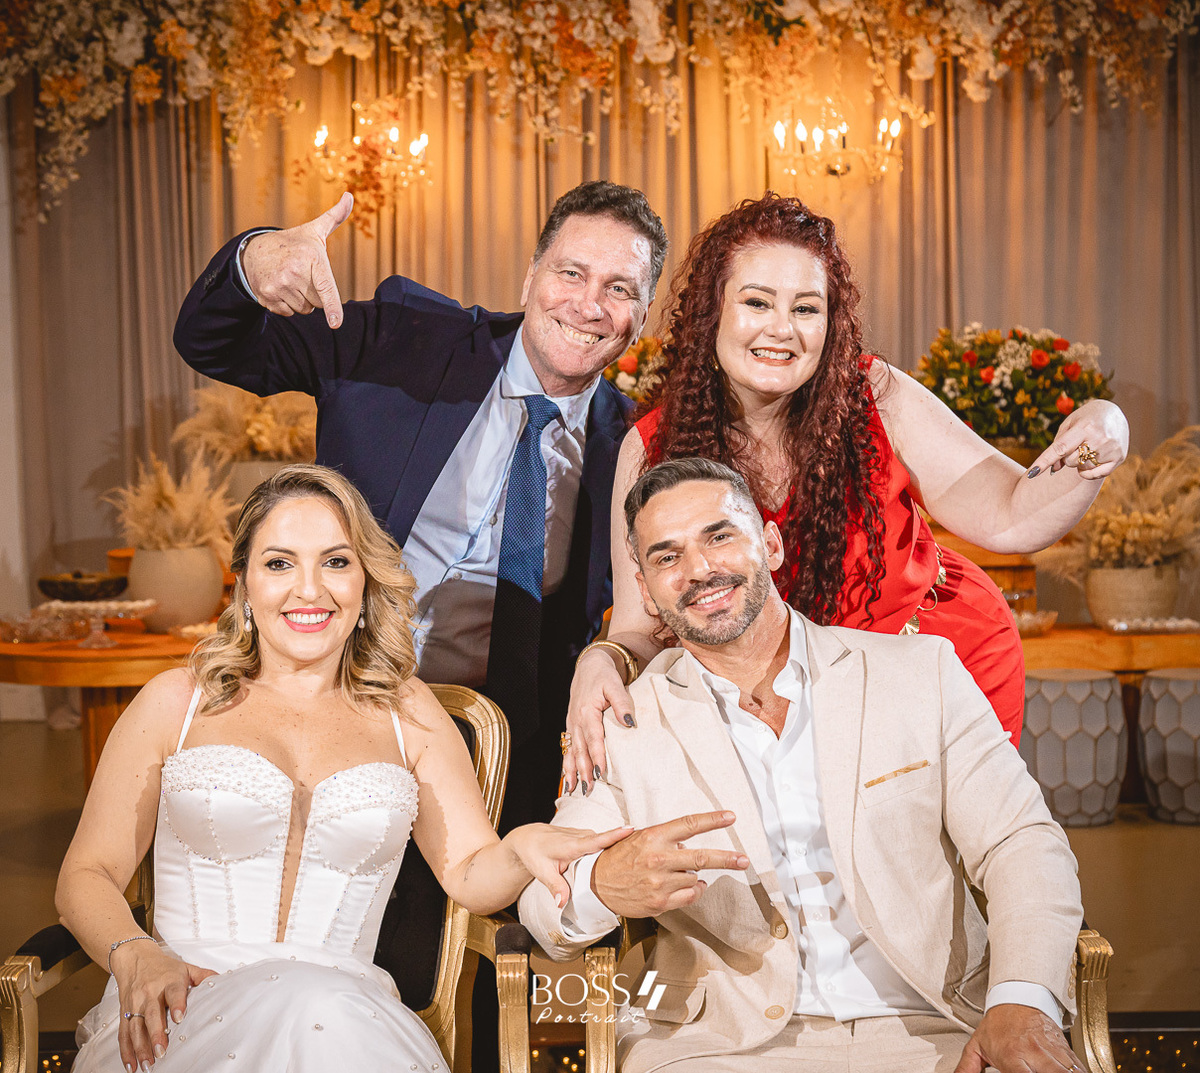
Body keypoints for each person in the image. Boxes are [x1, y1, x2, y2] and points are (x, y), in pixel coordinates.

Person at [57, 465, 629, 1073]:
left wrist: (519, 849)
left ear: (364, 582)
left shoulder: (408, 712)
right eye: (279, 563)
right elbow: (86, 875)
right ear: (244, 584)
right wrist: (133, 953)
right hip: (180, 1007)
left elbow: (468, 869)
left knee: (320, 1008)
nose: (309, 590)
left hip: (343, 1016)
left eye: (335, 562)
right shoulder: (176, 701)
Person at [521, 457, 1086, 1073]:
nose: (699, 569)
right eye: (667, 556)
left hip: (936, 1027)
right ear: (645, 587)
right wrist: (602, 883)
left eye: (719, 536)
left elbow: (1021, 844)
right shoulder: (623, 724)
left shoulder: (920, 674)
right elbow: (543, 901)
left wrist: (1021, 1003)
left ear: (771, 544)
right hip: (716, 1048)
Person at [564, 193, 1128, 786]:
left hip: (939, 664)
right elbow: (641, 628)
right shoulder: (652, 448)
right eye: (756, 302)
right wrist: (603, 658)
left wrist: (1103, 429)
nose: (782, 329)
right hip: (786, 702)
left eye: (806, 308)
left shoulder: (875, 394)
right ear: (713, 312)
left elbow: (1014, 516)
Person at [174, 180, 668, 833]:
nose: (589, 304)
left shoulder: (633, 447)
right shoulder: (403, 342)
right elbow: (212, 342)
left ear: (643, 313)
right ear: (530, 277)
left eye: (620, 288)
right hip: (324, 708)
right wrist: (253, 260)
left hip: (495, 759)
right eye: (571, 273)